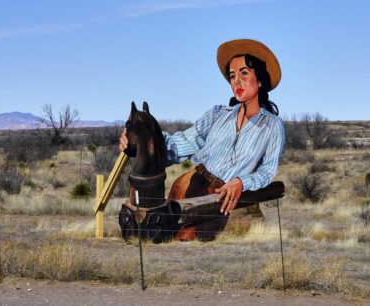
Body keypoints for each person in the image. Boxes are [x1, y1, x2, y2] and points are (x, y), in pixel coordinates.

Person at [119, 38, 285, 238]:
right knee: (167, 236)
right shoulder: (218, 114)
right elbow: (183, 143)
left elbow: (267, 171)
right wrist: (144, 141)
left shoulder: (272, 125)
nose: (237, 81)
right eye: (232, 76)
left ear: (259, 80)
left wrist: (241, 182)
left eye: (244, 73)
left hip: (225, 193)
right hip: (190, 183)